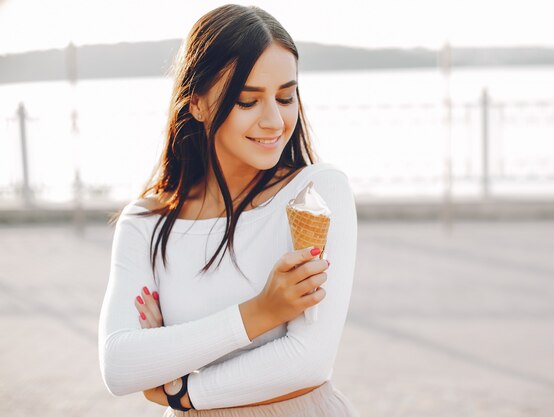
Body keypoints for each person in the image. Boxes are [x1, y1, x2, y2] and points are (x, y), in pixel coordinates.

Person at [97, 4, 359, 417]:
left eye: (286, 96)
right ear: (197, 104)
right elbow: (119, 365)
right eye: (246, 101)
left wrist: (180, 389)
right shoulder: (146, 224)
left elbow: (309, 361)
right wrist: (260, 312)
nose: (275, 120)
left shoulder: (316, 194)